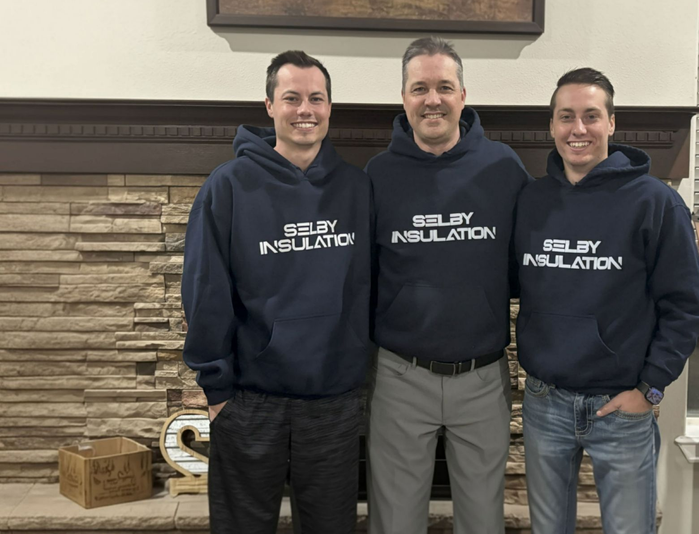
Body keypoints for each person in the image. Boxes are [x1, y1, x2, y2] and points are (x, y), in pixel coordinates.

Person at [181, 50, 371, 534]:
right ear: (269, 105)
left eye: (316, 98)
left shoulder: (357, 188)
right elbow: (205, 291)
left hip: (334, 401)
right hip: (250, 400)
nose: (305, 109)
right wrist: (216, 388)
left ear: (330, 107)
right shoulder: (228, 187)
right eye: (292, 98)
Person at [514, 67, 699, 534]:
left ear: (612, 123)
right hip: (545, 403)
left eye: (590, 116)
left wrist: (651, 389)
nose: (578, 129)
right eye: (566, 117)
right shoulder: (531, 201)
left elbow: (687, 306)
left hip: (621, 409)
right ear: (552, 126)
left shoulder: (655, 203)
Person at [365, 37, 531, 534]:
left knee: (483, 521)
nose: (432, 99)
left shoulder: (505, 169)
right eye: (420, 88)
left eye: (444, 87)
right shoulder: (377, 174)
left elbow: (529, 267)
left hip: (482, 378)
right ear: (404, 98)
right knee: (395, 522)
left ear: (463, 95)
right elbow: (362, 275)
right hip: (400, 375)